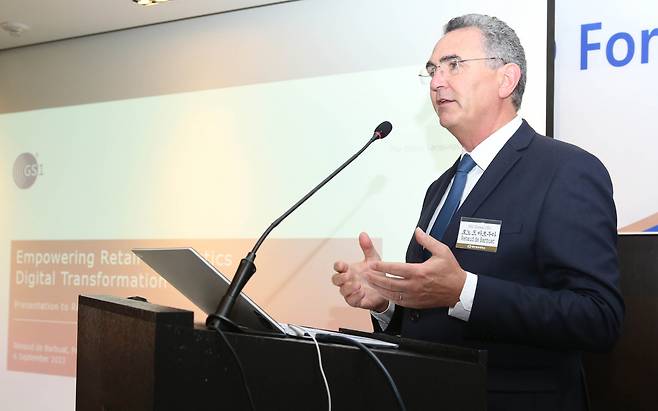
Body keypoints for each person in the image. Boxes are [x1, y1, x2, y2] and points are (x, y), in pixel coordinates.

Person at [331, 13, 624, 411]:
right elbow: (428, 317)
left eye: (453, 65)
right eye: (432, 70)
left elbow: (597, 317)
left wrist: (466, 292)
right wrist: (387, 302)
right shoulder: (442, 187)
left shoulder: (566, 171)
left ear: (507, 79)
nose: (436, 82)